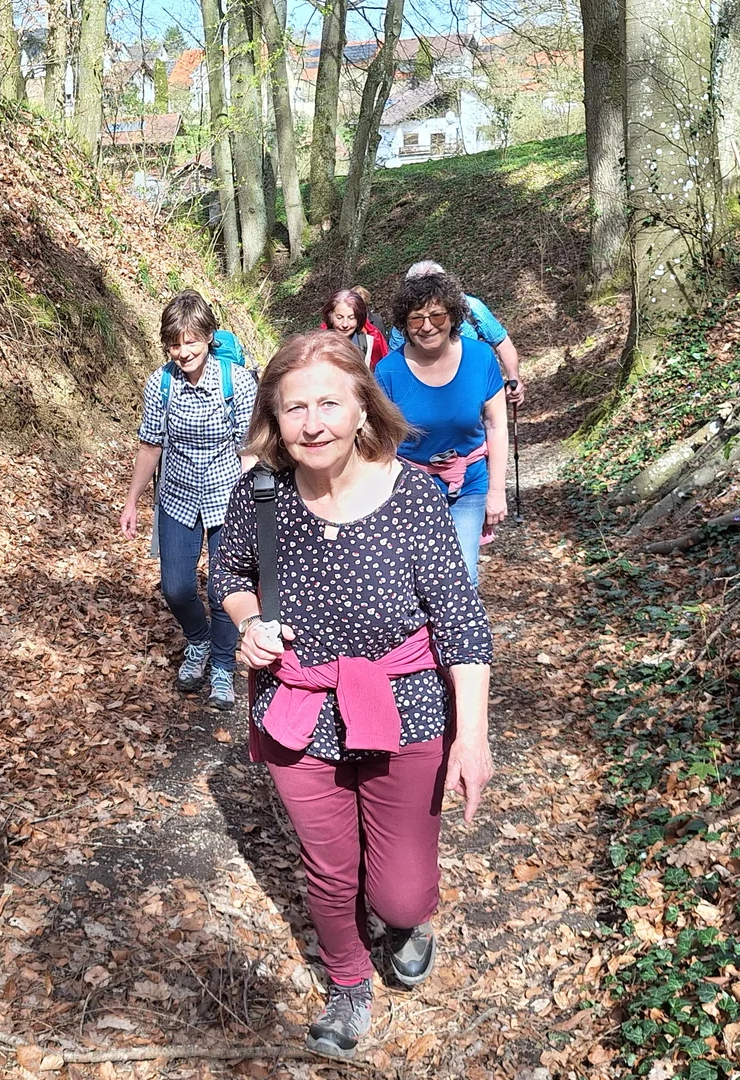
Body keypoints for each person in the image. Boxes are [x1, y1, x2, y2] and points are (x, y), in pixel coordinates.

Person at [211, 331, 496, 1058]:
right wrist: (248, 626)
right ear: (274, 419)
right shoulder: (260, 494)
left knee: (399, 893)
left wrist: (472, 738)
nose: (313, 423)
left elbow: (461, 624)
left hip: (405, 709)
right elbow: (230, 576)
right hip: (298, 708)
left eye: (329, 404)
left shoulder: (415, 497)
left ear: (363, 409)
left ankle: (406, 919)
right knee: (330, 867)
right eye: (294, 408)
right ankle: (346, 981)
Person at [119, 291, 258, 710]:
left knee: (223, 588)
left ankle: (220, 667)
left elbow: (249, 452)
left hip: (227, 498)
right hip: (177, 496)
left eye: (191, 341)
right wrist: (131, 502)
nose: (183, 352)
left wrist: (256, 507)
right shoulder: (160, 384)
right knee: (177, 587)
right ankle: (197, 639)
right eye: (175, 344)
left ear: (209, 337)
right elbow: (150, 445)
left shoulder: (238, 383)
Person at [376, 270, 510, 590]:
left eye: (437, 315)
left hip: (470, 483)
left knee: (463, 576)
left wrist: (496, 491)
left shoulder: (480, 358)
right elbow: (378, 442)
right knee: (416, 579)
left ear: (453, 315)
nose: (427, 326)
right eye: (415, 319)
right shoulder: (387, 371)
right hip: (410, 488)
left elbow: (496, 423)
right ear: (404, 325)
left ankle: (463, 640)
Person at [385, 260, 525, 406]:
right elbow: (395, 365)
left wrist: (514, 379)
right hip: (428, 396)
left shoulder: (472, 308)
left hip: (478, 394)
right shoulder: (404, 325)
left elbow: (501, 342)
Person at [319, 288, 389, 368]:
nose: (345, 324)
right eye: (339, 317)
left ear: (359, 319)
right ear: (330, 317)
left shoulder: (370, 344)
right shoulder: (318, 345)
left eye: (351, 318)